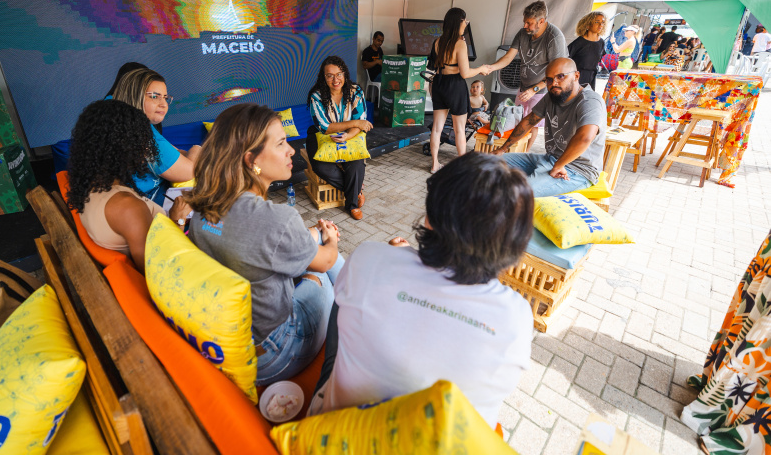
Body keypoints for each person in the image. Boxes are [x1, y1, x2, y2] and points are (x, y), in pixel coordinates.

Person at [308, 152, 534, 428]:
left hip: (332, 433)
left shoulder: (370, 257)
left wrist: (399, 262)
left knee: (342, 294)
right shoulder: (517, 317)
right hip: (437, 441)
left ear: (430, 218)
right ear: (517, 243)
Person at [185, 103, 345, 385]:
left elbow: (256, 243)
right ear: (251, 161)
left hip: (233, 346)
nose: (291, 151)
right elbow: (326, 261)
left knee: (312, 244)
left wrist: (311, 236)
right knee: (326, 274)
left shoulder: (200, 207)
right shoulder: (278, 219)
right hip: (276, 352)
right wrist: (329, 239)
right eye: (282, 143)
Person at [67, 100, 188, 271]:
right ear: (125, 147)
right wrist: (179, 220)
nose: (146, 149)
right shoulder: (128, 208)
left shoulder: (89, 183)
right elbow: (158, 271)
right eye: (141, 141)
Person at [492, 57, 606, 197]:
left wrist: (559, 165)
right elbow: (529, 121)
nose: (554, 83)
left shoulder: (590, 101)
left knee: (519, 194)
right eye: (549, 79)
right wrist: (503, 148)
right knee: (490, 163)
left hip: (577, 170)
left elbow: (584, 137)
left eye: (561, 77)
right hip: (550, 159)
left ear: (576, 76)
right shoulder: (553, 96)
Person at [485, 1, 568, 153]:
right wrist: (492, 67)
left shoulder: (554, 37)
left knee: (532, 123)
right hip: (523, 87)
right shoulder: (524, 33)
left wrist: (534, 89)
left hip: (541, 90)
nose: (525, 26)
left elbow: (558, 72)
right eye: (525, 22)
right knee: (518, 120)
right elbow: (509, 56)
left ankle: (524, 153)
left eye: (529, 23)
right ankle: (514, 150)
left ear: (541, 21)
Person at [112, 68, 200, 204]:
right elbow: (190, 171)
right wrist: (197, 149)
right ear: (134, 97)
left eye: (165, 97)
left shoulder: (136, 125)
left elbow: (174, 153)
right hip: (146, 204)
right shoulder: (140, 133)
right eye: (154, 96)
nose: (163, 104)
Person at [306, 56, 372, 220]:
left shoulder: (355, 91)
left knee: (356, 165)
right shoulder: (317, 96)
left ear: (345, 74)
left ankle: (352, 206)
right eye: (330, 75)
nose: (335, 79)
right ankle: (357, 191)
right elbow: (324, 127)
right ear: (324, 77)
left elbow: (361, 124)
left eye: (339, 74)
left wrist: (349, 134)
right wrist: (356, 123)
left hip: (351, 135)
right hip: (322, 136)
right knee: (320, 166)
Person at [428, 8, 491, 172]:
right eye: (465, 21)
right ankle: (462, 167)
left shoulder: (437, 42)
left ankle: (434, 164)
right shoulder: (460, 43)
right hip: (455, 86)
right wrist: (481, 68)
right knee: (459, 129)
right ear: (459, 22)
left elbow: (432, 68)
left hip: (439, 84)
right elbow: (465, 73)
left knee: (436, 128)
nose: (466, 24)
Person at [567, 12, 607, 91]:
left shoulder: (601, 42)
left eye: (602, 22)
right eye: (597, 22)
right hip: (576, 78)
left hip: (591, 79)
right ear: (588, 24)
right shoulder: (578, 43)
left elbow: (597, 60)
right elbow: (565, 60)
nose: (600, 25)